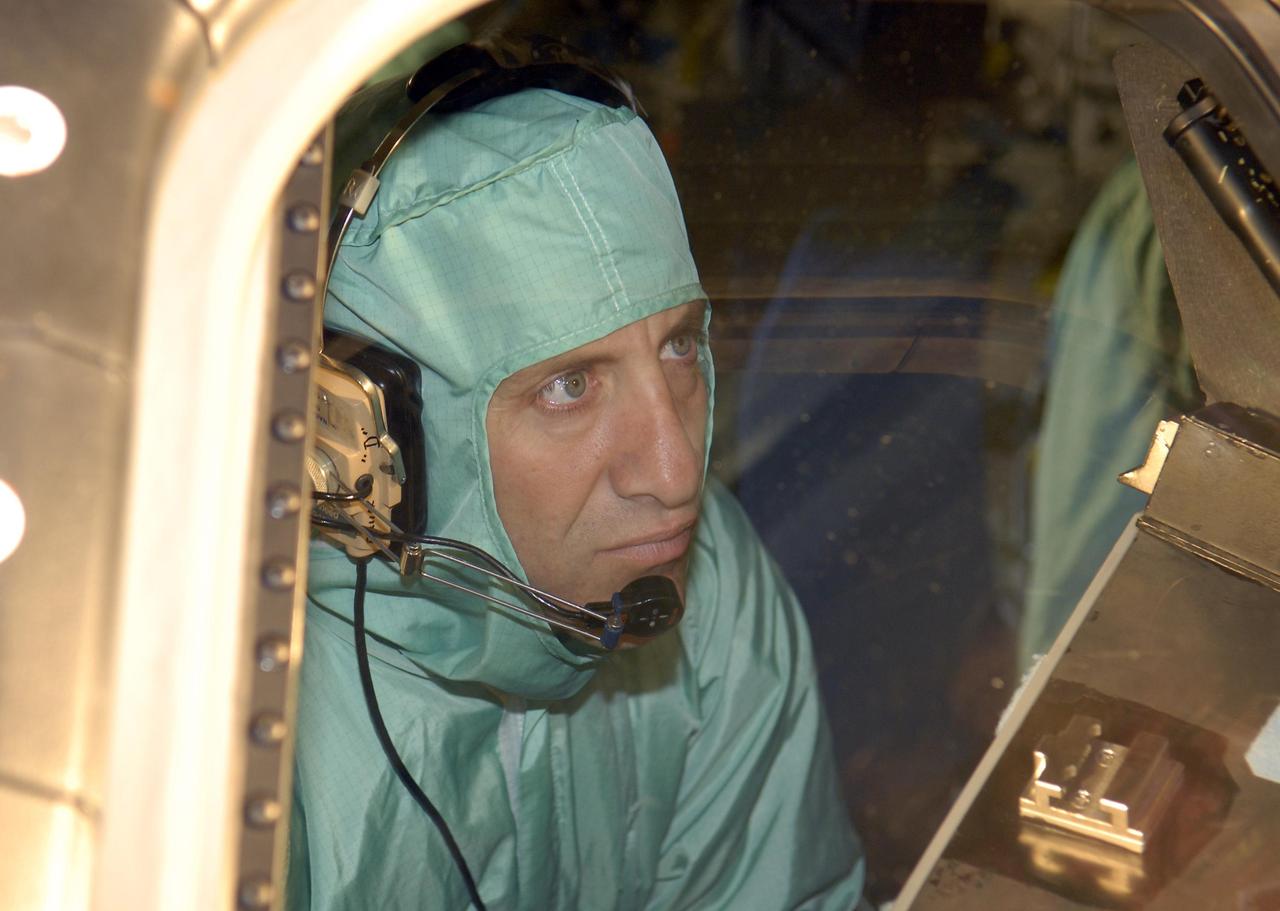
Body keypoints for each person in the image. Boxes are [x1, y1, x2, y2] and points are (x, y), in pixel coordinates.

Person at [286, 70, 866, 910]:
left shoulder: (702, 581)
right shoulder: (236, 725)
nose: (675, 474)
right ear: (369, 427)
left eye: (679, 347)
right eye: (571, 386)